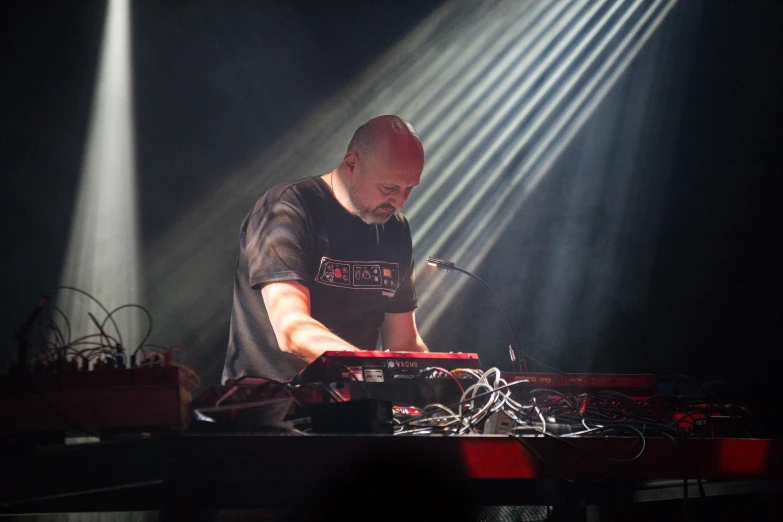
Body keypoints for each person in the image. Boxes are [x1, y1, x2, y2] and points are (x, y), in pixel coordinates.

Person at [222, 115, 428, 383]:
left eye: (409, 190)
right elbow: (293, 331)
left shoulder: (395, 229)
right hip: (270, 407)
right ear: (352, 164)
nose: (400, 202)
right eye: (389, 188)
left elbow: (404, 343)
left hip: (352, 403)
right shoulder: (287, 208)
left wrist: (454, 384)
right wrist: (369, 373)